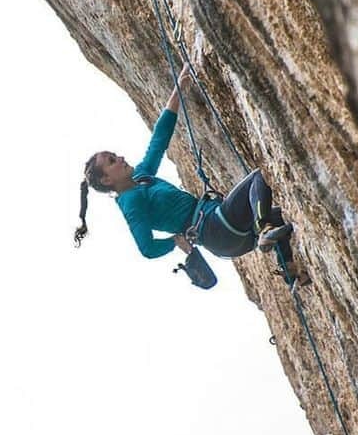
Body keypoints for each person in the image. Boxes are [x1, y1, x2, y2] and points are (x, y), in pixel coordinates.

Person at [74, 72, 309, 285]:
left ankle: (288, 268)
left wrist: (177, 92)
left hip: (224, 235)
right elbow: (146, 248)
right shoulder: (131, 202)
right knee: (259, 178)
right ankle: (264, 228)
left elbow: (158, 141)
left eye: (115, 155)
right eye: (112, 161)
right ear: (107, 180)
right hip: (214, 227)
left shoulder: (142, 177)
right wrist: (175, 241)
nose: (121, 157)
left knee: (283, 217)